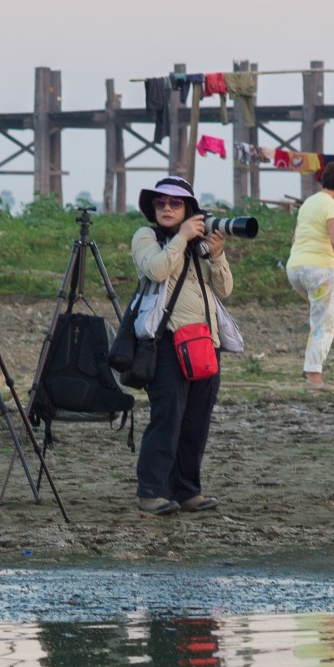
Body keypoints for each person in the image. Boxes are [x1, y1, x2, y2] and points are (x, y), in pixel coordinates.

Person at [131, 175, 235, 515]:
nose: (166, 208)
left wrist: (217, 255)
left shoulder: (197, 245)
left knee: (196, 421)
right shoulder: (147, 237)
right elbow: (157, 270)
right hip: (166, 342)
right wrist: (180, 238)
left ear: (189, 209)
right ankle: (151, 492)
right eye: (160, 203)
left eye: (175, 203)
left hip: (205, 342)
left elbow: (225, 289)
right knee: (167, 417)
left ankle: (188, 491)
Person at [284, 161, 334, 391]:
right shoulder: (332, 206)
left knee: (328, 315)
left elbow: (295, 239)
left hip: (295, 268)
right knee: (324, 321)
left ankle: (312, 367)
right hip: (319, 270)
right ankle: (314, 377)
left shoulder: (308, 203)